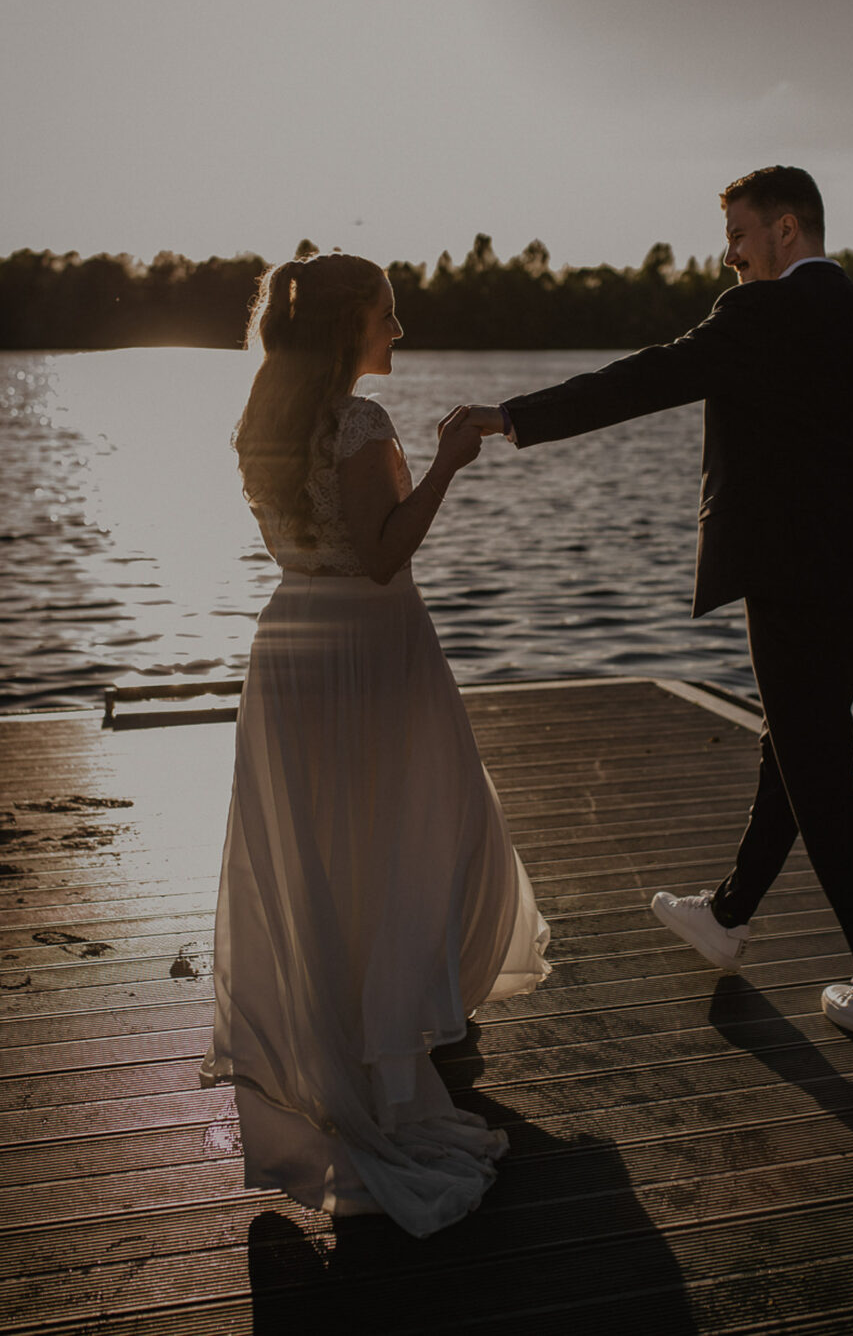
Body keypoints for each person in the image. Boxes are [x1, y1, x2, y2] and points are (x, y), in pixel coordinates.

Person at [458, 166, 853, 1048]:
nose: (730, 258)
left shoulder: (757, 318)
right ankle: (726, 916)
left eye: (739, 238)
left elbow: (642, 380)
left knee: (816, 763)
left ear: (787, 231)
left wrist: (508, 418)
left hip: (791, 584)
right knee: (797, 741)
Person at [200, 248, 550, 1238]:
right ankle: (392, 1039)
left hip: (290, 644)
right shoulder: (360, 423)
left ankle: (351, 1033)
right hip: (367, 643)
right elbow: (386, 558)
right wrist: (448, 462)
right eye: (390, 315)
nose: (399, 331)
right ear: (353, 321)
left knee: (322, 853)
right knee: (413, 834)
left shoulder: (261, 417)